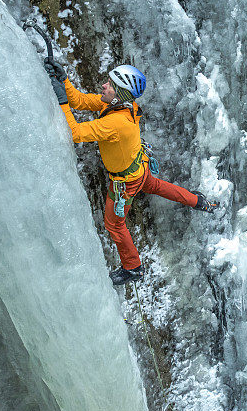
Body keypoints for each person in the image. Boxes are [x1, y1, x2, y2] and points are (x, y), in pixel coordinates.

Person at [44, 59, 218, 286]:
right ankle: (197, 201)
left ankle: (133, 267)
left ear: (119, 95)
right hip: (139, 167)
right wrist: (64, 81)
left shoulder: (116, 122)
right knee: (155, 186)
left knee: (114, 224)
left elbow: (75, 133)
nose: (104, 86)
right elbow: (82, 100)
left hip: (125, 182)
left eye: (110, 84)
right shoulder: (122, 105)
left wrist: (62, 102)